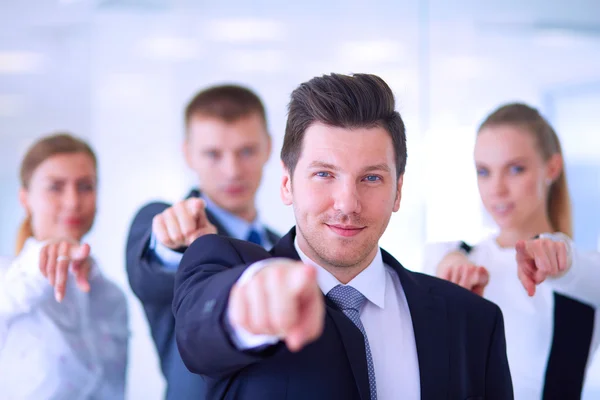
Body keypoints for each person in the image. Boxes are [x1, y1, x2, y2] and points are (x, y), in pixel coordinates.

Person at [172, 73, 514, 400]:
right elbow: (197, 333)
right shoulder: (230, 270)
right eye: (324, 174)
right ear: (287, 183)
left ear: (398, 191)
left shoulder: (472, 322)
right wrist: (250, 303)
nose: (347, 204)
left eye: (371, 178)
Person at [422, 103, 600, 399]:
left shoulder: (579, 272)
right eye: (484, 172)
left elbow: (583, 273)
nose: (497, 189)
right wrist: (449, 262)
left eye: (515, 169)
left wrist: (560, 259)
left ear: (551, 168)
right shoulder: (458, 260)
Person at [126, 84, 281, 399]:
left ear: (269, 147)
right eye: (213, 154)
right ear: (188, 154)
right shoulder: (164, 221)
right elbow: (152, 271)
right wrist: (173, 243)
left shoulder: (284, 249)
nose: (233, 170)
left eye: (247, 151)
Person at [0, 133, 129, 399]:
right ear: (25, 199)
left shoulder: (112, 297)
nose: (72, 202)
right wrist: (45, 258)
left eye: (85, 186)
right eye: (55, 187)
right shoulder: (8, 281)